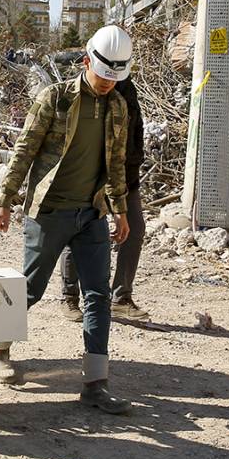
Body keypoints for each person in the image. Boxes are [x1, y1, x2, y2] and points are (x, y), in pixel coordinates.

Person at [0, 25, 133, 415]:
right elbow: (24, 150)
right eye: (103, 76)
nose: (107, 85)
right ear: (87, 62)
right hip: (49, 212)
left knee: (98, 296)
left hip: (92, 213)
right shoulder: (55, 99)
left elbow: (116, 163)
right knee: (30, 289)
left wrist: (119, 209)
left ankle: (95, 384)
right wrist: (4, 200)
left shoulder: (118, 106)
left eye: (115, 79)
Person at [59, 70, 148, 322]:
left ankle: (120, 298)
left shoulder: (127, 88)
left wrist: (133, 168)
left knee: (135, 230)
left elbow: (134, 132)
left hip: (124, 175)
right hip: (89, 176)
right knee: (77, 230)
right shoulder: (84, 87)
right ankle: (69, 297)